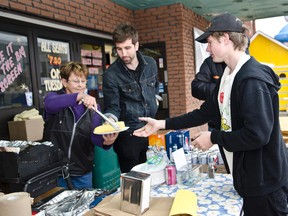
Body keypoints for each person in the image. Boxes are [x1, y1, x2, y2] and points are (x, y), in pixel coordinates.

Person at [134, 13, 288, 216]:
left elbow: (257, 135)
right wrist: (161, 123)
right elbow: (203, 113)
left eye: (210, 42)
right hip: (247, 177)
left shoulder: (252, 81)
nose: (207, 49)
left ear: (225, 39)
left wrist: (214, 138)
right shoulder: (227, 75)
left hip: (266, 182)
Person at [43, 61, 118, 189]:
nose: (80, 85)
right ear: (64, 82)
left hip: (82, 172)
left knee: (85, 209)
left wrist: (107, 141)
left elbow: (95, 137)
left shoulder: (93, 107)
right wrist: (80, 96)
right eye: (76, 81)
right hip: (55, 172)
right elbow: (49, 104)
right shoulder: (54, 97)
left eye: (83, 82)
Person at [103, 23, 159, 173]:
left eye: (127, 48)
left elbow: (155, 87)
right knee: (135, 181)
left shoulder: (151, 64)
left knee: (154, 173)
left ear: (136, 45)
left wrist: (155, 100)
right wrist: (111, 122)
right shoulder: (111, 75)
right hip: (128, 137)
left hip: (151, 130)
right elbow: (112, 106)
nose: (123, 54)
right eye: (119, 49)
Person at [191, 56, 226, 131]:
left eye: (210, 43)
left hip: (239, 129)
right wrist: (222, 89)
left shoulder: (246, 66)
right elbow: (196, 87)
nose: (207, 49)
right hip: (215, 125)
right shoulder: (210, 62)